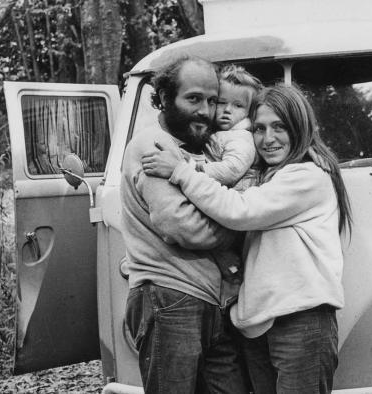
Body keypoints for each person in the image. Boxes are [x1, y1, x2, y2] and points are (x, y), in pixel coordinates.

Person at [141, 84, 352, 393]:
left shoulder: (307, 176)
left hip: (299, 321)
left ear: (300, 127)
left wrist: (183, 171)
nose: (268, 139)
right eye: (259, 128)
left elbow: (239, 210)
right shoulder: (269, 177)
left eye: (280, 127)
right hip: (262, 323)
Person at [120, 55, 248, 394]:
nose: (205, 110)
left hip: (211, 301)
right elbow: (182, 227)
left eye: (211, 100)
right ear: (164, 98)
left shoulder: (206, 147)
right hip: (169, 297)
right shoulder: (154, 146)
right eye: (193, 99)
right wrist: (244, 223)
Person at [200, 64, 261, 192]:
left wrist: (196, 169)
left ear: (249, 112)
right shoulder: (218, 132)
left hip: (237, 196)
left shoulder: (242, 138)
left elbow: (231, 170)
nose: (227, 110)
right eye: (221, 102)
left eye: (238, 105)